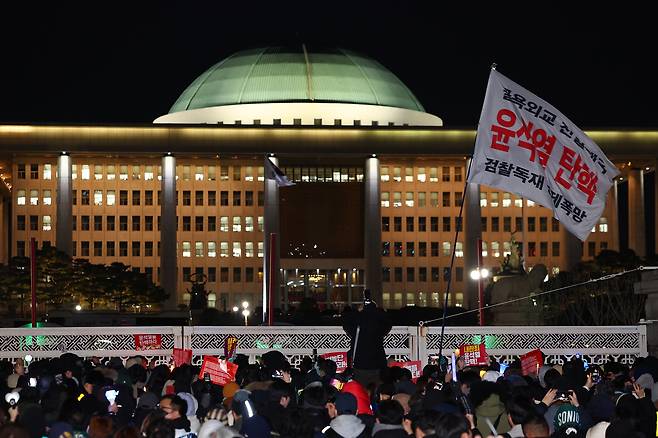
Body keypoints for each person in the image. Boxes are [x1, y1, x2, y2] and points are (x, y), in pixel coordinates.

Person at [342, 289, 392, 388]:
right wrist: (377, 309)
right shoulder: (378, 324)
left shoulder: (357, 325)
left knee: (361, 392)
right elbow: (388, 322)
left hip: (360, 364)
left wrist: (357, 311)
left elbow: (345, 321)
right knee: (376, 391)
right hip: (377, 364)